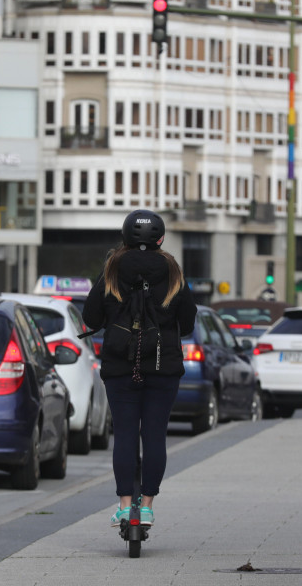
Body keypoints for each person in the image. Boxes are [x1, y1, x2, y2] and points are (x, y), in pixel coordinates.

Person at [82, 209, 197, 529]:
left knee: (126, 435)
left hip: (120, 367)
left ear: (124, 237)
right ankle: (145, 507)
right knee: (155, 435)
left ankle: (123, 505)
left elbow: (90, 318)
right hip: (163, 367)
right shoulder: (173, 271)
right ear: (161, 238)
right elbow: (187, 322)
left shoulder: (111, 270)